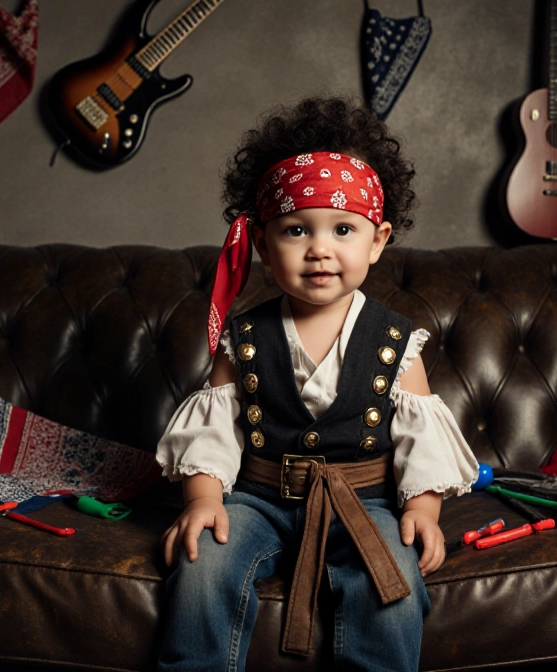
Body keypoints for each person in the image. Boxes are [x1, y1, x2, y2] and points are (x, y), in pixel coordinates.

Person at [155, 96, 478, 671]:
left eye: (343, 229)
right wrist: (204, 501)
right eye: (297, 230)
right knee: (203, 564)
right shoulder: (243, 339)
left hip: (365, 503)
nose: (320, 249)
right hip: (258, 500)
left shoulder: (397, 344)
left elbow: (420, 445)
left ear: (377, 242)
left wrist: (422, 510)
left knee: (390, 583)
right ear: (261, 242)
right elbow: (214, 437)